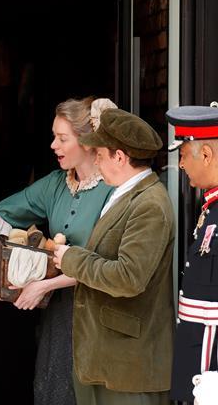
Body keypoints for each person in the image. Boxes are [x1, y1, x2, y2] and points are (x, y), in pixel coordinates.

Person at [0, 97, 116, 405]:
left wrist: (45, 285)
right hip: (60, 316)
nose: (54, 145)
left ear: (86, 141)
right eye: (54, 136)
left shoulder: (114, 188)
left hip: (100, 314)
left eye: (62, 138)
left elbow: (110, 263)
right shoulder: (55, 184)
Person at [53, 108, 175, 405]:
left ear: (119, 157)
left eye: (99, 154)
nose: (95, 160)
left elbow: (128, 278)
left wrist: (71, 259)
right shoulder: (125, 193)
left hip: (129, 368)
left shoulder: (150, 204)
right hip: (107, 360)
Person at [166, 103, 218, 404]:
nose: (181, 165)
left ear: (206, 155)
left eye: (184, 155)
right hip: (200, 356)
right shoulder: (211, 207)